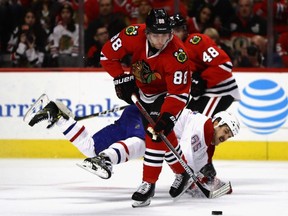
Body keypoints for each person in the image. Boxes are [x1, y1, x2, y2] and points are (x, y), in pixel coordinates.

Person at [27, 98, 239, 204]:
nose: (225, 137)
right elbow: (184, 157)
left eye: (229, 136)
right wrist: (202, 178)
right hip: (146, 115)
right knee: (144, 142)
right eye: (226, 130)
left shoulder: (208, 143)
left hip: (134, 114)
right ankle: (106, 159)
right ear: (217, 121)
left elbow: (202, 171)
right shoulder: (202, 125)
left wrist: (212, 179)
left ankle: (58, 116)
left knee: (89, 147)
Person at [100, 8, 192, 207]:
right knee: (165, 137)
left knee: (155, 134)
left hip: (167, 94)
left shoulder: (178, 55)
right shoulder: (133, 34)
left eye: (165, 35)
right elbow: (106, 55)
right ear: (147, 32)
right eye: (156, 35)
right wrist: (120, 78)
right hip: (143, 93)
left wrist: (168, 117)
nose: (161, 41)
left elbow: (179, 92)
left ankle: (148, 184)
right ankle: (183, 173)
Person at [170, 13, 240, 117]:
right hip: (201, 95)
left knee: (198, 125)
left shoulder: (196, 42)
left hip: (219, 91)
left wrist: (202, 80)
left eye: (177, 30)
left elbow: (224, 65)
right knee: (184, 123)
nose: (173, 35)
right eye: (170, 32)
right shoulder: (170, 52)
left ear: (185, 30)